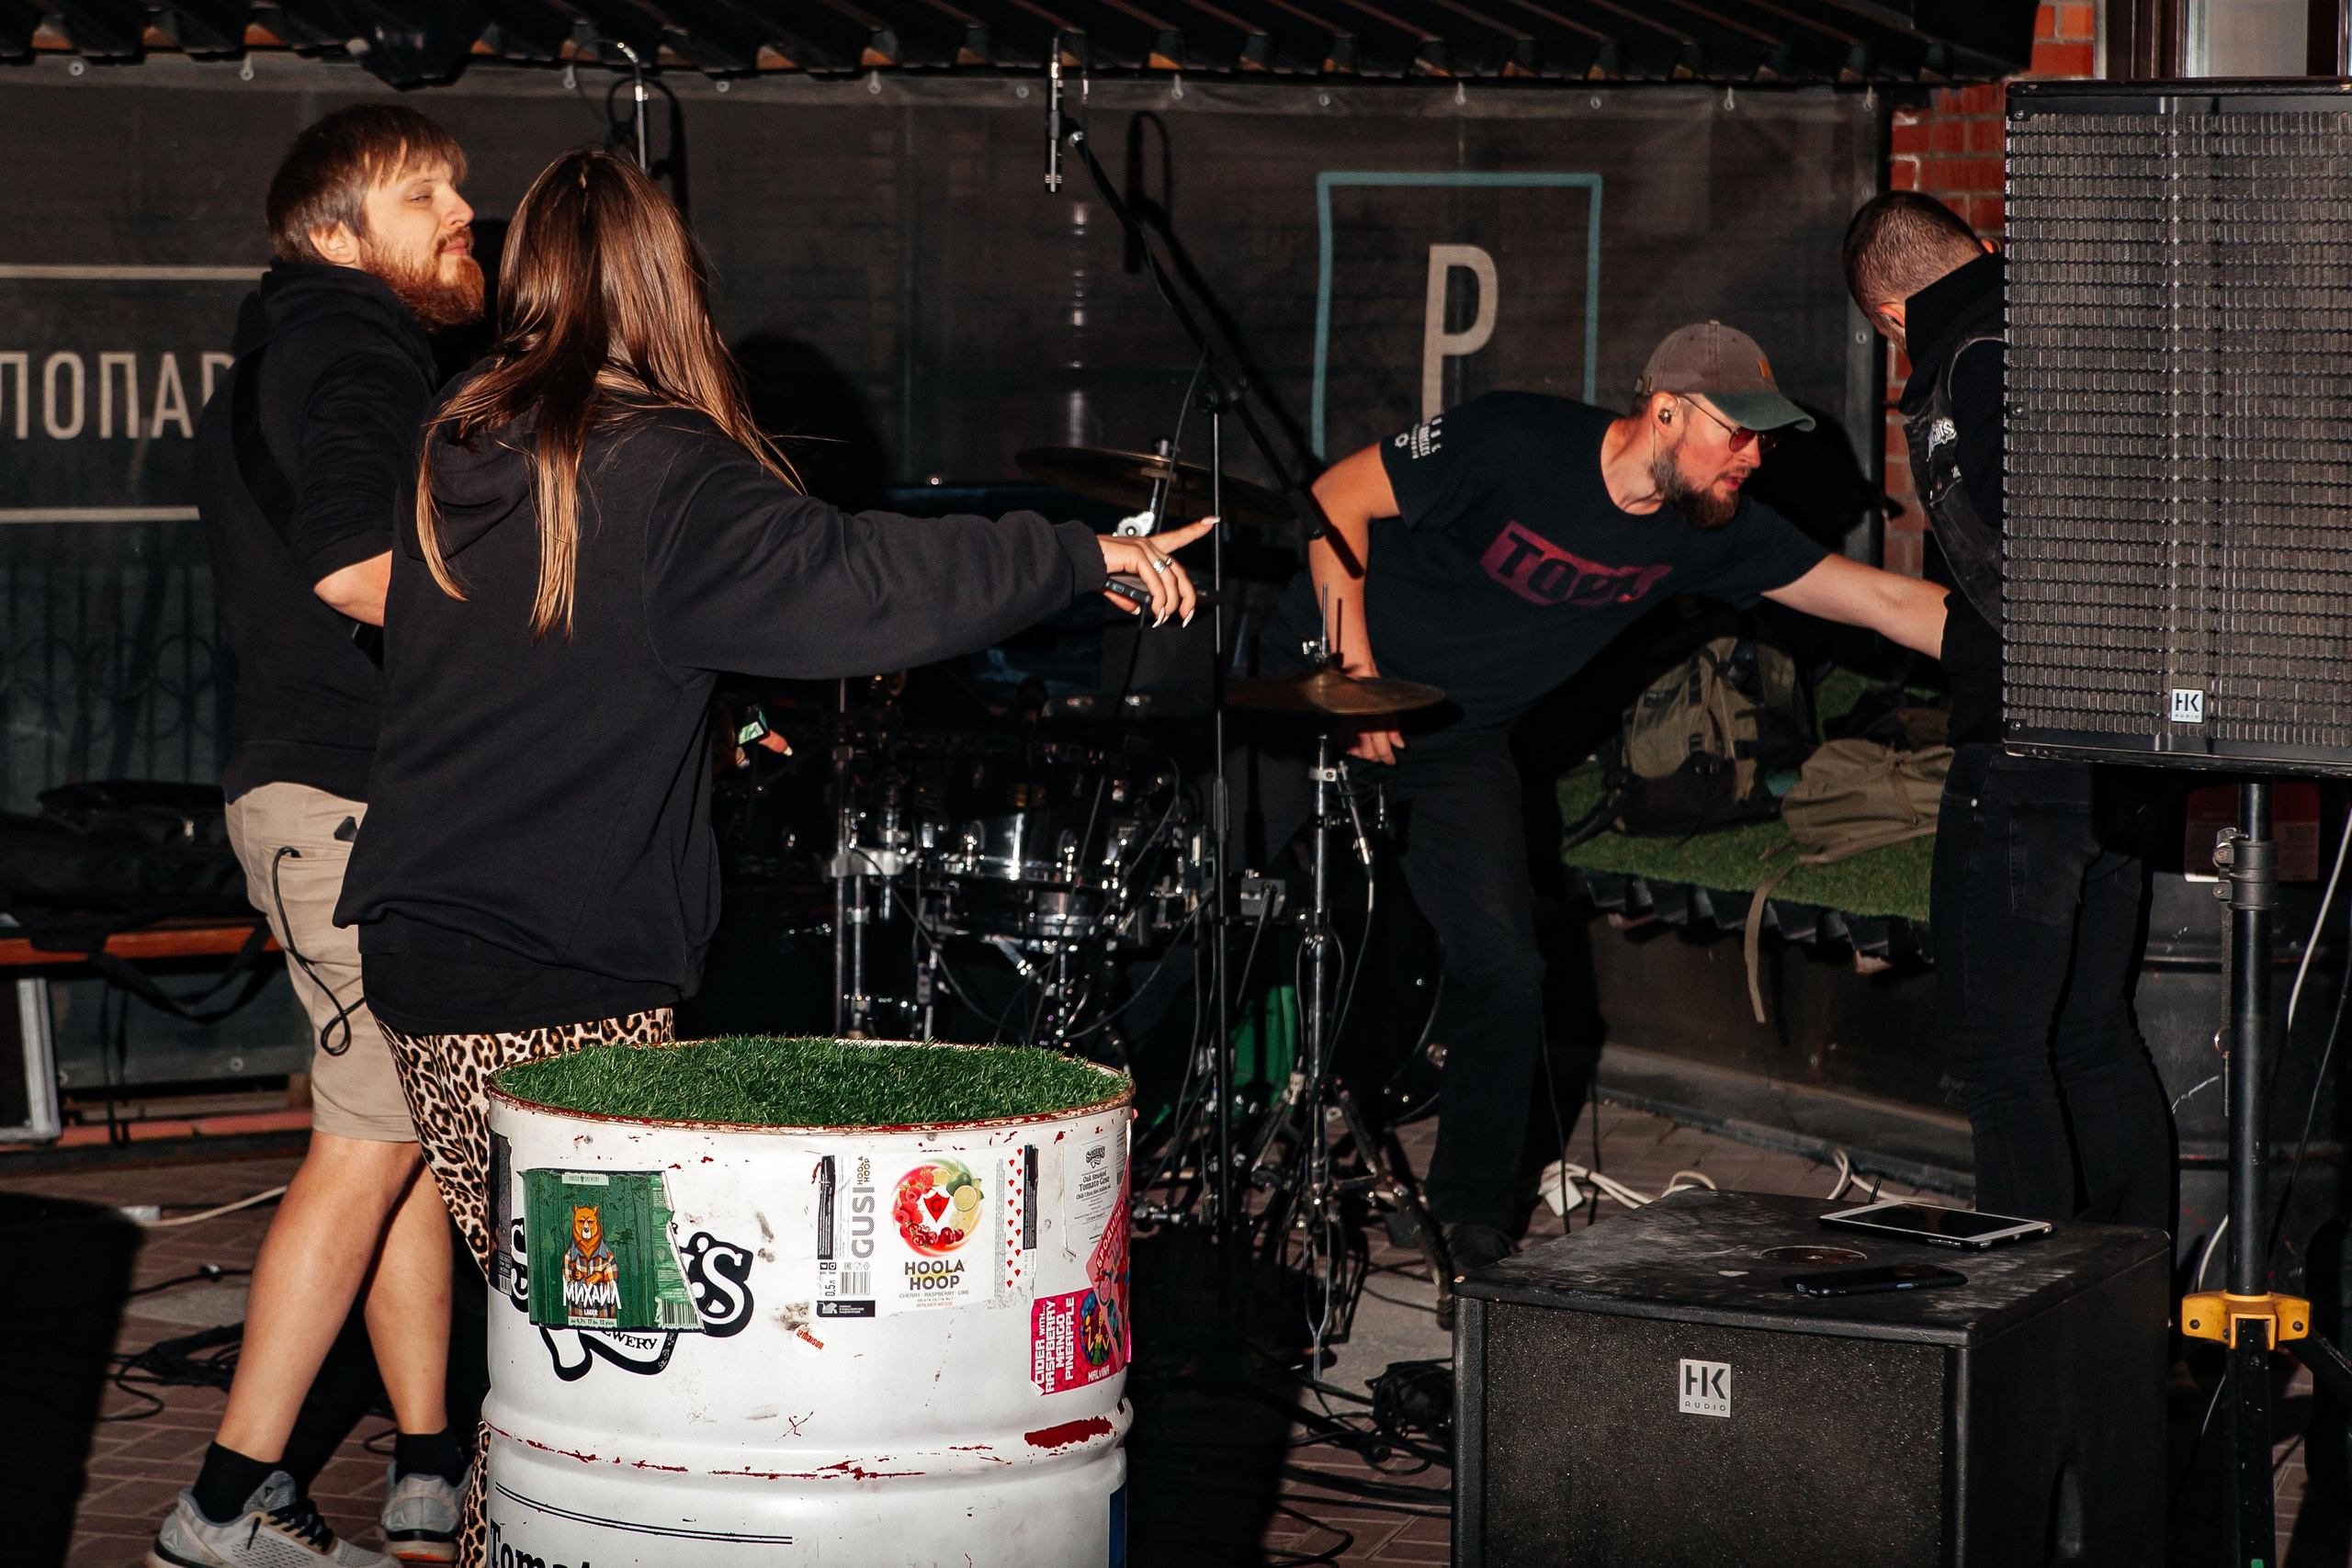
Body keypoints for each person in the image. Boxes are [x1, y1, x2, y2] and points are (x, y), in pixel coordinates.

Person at [330, 147, 1204, 1567]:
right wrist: (1071, 553)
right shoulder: (659, 466)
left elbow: (548, 662)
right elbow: (861, 586)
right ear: (676, 284)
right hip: (551, 984)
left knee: (578, 1350)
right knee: (604, 1366)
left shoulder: (470, 431)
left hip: (440, 948)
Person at [1283, 322, 1951, 1315]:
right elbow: (1333, 498)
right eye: (1738, 433)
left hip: (1459, 745)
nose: (1753, 458)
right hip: (1332, 689)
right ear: (1665, 409)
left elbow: (1884, 601)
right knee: (1249, 919)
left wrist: (2037, 656)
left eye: (1764, 440)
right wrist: (1356, 671)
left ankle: (1468, 1213)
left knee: (1504, 968)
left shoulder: (1707, 528)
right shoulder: (1512, 440)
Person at [157, 107, 483, 1568]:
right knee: (365, 1144)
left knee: (393, 1132)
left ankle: (422, 1465)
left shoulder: (293, 348)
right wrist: (544, 648)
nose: (464, 213)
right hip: (347, 806)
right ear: (342, 235)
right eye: (429, 195)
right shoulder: (355, 346)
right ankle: (222, 1507)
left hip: (324, 800)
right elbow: (359, 569)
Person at [1842, 192, 2171, 1232]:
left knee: (1999, 1058)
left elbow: (2038, 549)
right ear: (1980, 249)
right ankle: (2135, 1319)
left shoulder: (1965, 361)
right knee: (2090, 1034)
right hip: (2126, 738)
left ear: (1888, 315)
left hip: (2029, 744)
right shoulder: (2073, 327)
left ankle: (2036, 1346)